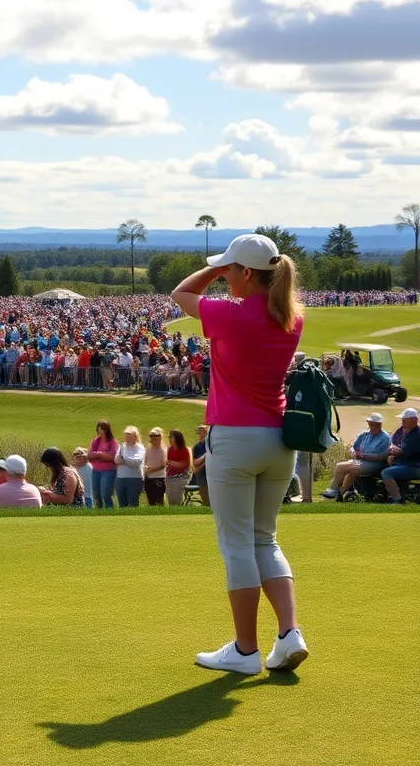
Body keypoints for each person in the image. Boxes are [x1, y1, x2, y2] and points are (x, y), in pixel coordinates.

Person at [172, 232, 308, 674]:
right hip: (278, 441)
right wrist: (233, 264)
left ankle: (245, 651)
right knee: (263, 539)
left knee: (236, 546)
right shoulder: (292, 315)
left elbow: (182, 293)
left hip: (234, 439)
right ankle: (289, 634)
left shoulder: (231, 314)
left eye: (231, 270)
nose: (224, 277)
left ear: (246, 274)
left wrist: (215, 268)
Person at [321, 413, 392, 500]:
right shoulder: (364, 434)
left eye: (373, 424)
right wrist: (353, 452)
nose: (371, 426)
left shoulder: (385, 438)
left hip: (374, 464)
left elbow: (381, 457)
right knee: (341, 466)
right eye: (370, 423)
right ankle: (338, 492)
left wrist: (363, 456)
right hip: (359, 461)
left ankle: (332, 491)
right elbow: (353, 447)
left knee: (351, 468)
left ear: (379, 424)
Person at [380, 408, 420, 503]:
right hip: (404, 463)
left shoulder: (418, 435)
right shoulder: (404, 431)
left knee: (386, 473)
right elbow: (394, 443)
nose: (402, 422)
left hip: (414, 467)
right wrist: (393, 454)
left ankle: (397, 500)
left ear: (414, 420)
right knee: (379, 466)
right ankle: (382, 494)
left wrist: (399, 453)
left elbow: (413, 453)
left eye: (404, 420)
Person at [88, 420, 118, 509]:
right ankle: (98, 512)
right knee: (96, 496)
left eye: (102, 429)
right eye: (99, 429)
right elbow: (90, 456)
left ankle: (110, 511)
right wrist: (102, 456)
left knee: (105, 495)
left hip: (108, 472)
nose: (100, 431)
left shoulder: (112, 442)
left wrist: (98, 455)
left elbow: (112, 457)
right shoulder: (95, 442)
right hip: (95, 471)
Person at [114, 426, 145, 508]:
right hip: (120, 478)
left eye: (129, 436)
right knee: (122, 504)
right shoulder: (122, 446)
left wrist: (124, 458)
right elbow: (116, 460)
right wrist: (127, 460)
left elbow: (135, 463)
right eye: (126, 436)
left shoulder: (140, 448)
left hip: (134, 479)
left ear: (135, 436)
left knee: (133, 503)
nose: (127, 438)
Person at [166, 429, 193, 506]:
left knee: (177, 497)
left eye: (171, 437)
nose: (169, 438)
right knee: (170, 497)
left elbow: (185, 465)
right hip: (170, 476)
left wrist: (174, 463)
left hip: (181, 477)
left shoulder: (184, 450)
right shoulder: (170, 450)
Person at [143, 427, 168, 506]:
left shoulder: (163, 450)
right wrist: (145, 468)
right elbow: (144, 461)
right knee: (151, 501)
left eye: (155, 436)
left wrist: (151, 469)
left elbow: (163, 464)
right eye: (151, 436)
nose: (153, 438)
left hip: (159, 478)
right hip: (149, 478)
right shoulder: (148, 449)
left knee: (159, 501)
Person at [192, 425, 210, 506]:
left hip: (211, 475)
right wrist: (205, 457)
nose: (201, 431)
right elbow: (195, 463)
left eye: (203, 429)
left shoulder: (209, 444)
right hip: (201, 477)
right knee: (205, 500)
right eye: (199, 429)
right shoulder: (197, 447)